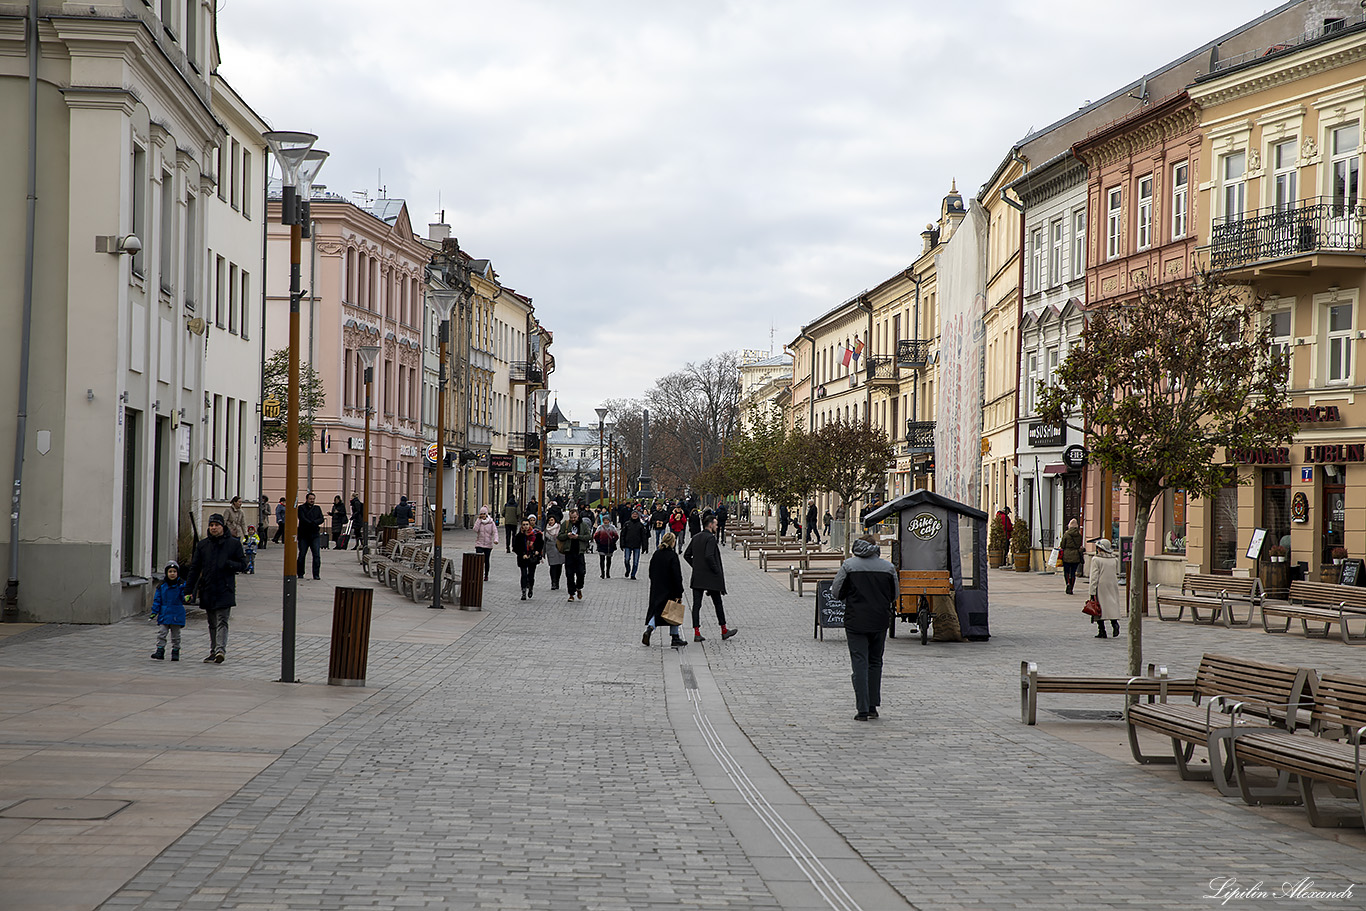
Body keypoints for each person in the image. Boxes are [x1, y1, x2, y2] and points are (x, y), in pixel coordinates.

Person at [831, 534, 898, 721]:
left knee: (859, 662)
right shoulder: (888, 567)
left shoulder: (849, 565)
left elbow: (836, 592)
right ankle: (872, 706)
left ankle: (861, 708)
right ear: (875, 547)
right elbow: (895, 595)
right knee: (875, 662)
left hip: (855, 620)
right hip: (879, 620)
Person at [184, 513, 246, 663]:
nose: (213, 528)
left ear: (222, 526)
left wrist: (229, 564)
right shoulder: (203, 545)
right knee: (212, 622)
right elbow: (195, 568)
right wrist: (188, 590)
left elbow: (243, 565)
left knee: (222, 621)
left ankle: (220, 651)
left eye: (216, 525)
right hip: (208, 588)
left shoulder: (233, 544)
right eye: (211, 525)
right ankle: (213, 650)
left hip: (225, 588)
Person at [683, 513, 736, 642]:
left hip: (698, 576)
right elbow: (709, 556)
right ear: (710, 524)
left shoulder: (696, 537)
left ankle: (696, 632)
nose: (717, 527)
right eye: (716, 524)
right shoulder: (710, 538)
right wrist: (715, 570)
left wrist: (696, 566)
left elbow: (686, 555)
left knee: (696, 605)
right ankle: (723, 630)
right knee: (717, 603)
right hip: (711, 577)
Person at [643, 531, 688, 648]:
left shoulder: (656, 554)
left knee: (657, 611)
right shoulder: (672, 556)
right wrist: (679, 592)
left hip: (657, 588)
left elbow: (651, 571)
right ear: (673, 542)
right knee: (673, 611)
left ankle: (649, 629)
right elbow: (677, 575)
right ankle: (675, 636)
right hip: (670, 589)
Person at [150, 560, 187, 661]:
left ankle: (175, 651)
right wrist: (154, 611)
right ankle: (160, 650)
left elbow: (184, 597)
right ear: (166, 573)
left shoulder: (181, 585)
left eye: (174, 572)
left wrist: (187, 597)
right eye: (170, 571)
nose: (172, 574)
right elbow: (157, 600)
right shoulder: (162, 586)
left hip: (176, 613)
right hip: (164, 613)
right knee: (162, 632)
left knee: (176, 635)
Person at [1087, 537, 1124, 639]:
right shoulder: (1114, 560)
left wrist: (1092, 591)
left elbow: (1094, 576)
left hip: (1101, 586)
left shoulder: (1096, 560)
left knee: (1099, 608)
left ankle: (1102, 630)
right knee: (1111, 606)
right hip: (1112, 584)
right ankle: (1114, 623)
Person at [557, 507, 593, 601]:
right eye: (571, 517)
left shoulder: (583, 525)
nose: (573, 519)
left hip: (579, 552)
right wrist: (567, 535)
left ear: (578, 516)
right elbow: (559, 536)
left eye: (574, 517)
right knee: (569, 574)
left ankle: (579, 587)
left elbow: (588, 536)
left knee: (581, 572)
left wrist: (578, 537)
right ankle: (571, 594)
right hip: (569, 552)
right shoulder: (566, 524)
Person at [512, 517, 545, 600]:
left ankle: (530, 588)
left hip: (532, 557)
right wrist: (522, 554)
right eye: (524, 525)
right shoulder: (519, 536)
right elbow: (515, 547)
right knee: (523, 575)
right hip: (522, 558)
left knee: (531, 575)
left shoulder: (536, 534)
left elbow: (540, 544)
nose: (525, 526)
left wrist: (537, 551)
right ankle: (523, 592)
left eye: (527, 524)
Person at [295, 492, 325, 580]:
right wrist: (312, 523)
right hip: (304, 535)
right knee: (302, 554)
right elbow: (302, 518)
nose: (312, 500)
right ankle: (300, 573)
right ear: (306, 499)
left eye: (313, 499)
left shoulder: (317, 508)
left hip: (314, 535)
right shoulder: (301, 508)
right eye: (310, 499)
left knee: (316, 555)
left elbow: (321, 518)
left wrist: (314, 522)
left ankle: (316, 574)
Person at [620, 509, 648, 580]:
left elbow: (644, 537)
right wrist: (622, 544)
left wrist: (645, 546)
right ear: (631, 515)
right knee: (626, 560)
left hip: (637, 545)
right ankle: (628, 570)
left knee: (635, 562)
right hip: (627, 544)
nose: (634, 515)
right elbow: (622, 534)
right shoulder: (627, 524)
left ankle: (633, 574)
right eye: (633, 514)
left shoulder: (640, 525)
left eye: (636, 514)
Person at [473, 506, 499, 581]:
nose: (482, 515)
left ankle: (486, 575)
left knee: (486, 560)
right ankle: (478, 574)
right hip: (479, 544)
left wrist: (496, 540)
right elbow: (475, 530)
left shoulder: (491, 523)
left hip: (488, 545)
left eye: (484, 514)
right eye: (481, 514)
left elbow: (495, 532)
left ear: (486, 514)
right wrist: (478, 521)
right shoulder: (479, 522)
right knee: (478, 560)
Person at [1059, 518, 1084, 595]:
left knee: (1066, 571)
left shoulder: (1066, 534)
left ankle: (1068, 584)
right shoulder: (1079, 535)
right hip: (1076, 555)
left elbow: (1062, 545)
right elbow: (1080, 545)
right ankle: (1072, 586)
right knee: (1073, 572)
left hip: (1067, 555)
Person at [545, 515, 566, 590]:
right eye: (549, 520)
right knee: (552, 566)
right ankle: (553, 582)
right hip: (550, 548)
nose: (550, 522)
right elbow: (544, 541)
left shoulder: (559, 528)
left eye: (552, 520)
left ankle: (557, 581)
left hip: (559, 548)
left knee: (559, 566)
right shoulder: (546, 529)